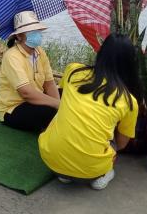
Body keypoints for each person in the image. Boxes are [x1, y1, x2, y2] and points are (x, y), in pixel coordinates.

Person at [38, 33, 141, 190]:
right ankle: (102, 175)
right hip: (92, 169)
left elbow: (65, 99)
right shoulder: (128, 101)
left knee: (61, 117)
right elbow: (121, 144)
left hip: (50, 157)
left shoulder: (73, 70)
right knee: (110, 143)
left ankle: (64, 173)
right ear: (130, 64)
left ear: (101, 53)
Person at [0, 11, 60, 132]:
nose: (36, 34)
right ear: (19, 36)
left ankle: (55, 123)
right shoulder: (12, 56)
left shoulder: (40, 52)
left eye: (37, 30)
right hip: (14, 107)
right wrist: (58, 106)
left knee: (69, 95)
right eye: (31, 31)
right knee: (49, 111)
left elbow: (49, 83)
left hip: (37, 99)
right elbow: (26, 93)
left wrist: (59, 103)